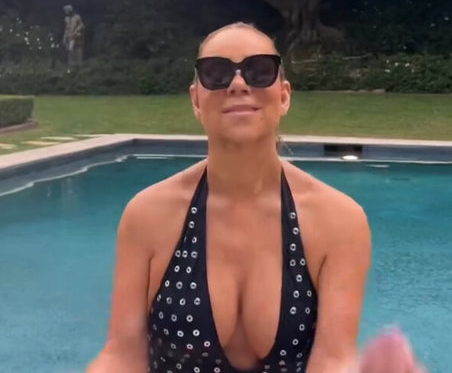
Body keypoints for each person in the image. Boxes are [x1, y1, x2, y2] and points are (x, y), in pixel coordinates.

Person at [87, 22, 423, 373]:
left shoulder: (339, 221)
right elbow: (123, 355)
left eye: (259, 71)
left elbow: (332, 358)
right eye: (216, 73)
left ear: (284, 96)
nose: (238, 84)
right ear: (196, 100)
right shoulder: (148, 216)